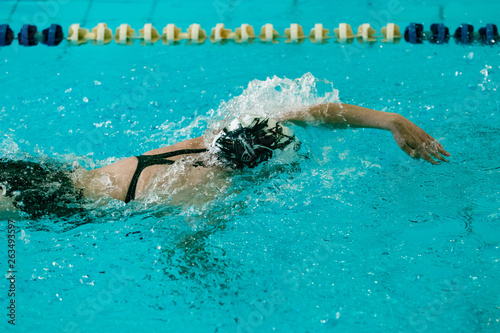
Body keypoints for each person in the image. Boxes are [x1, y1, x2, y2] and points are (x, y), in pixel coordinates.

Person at [0, 102, 450, 219]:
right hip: (57, 207)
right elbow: (185, 249)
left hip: (58, 175)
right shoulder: (212, 188)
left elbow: (305, 111)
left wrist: (387, 120)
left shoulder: (213, 137)